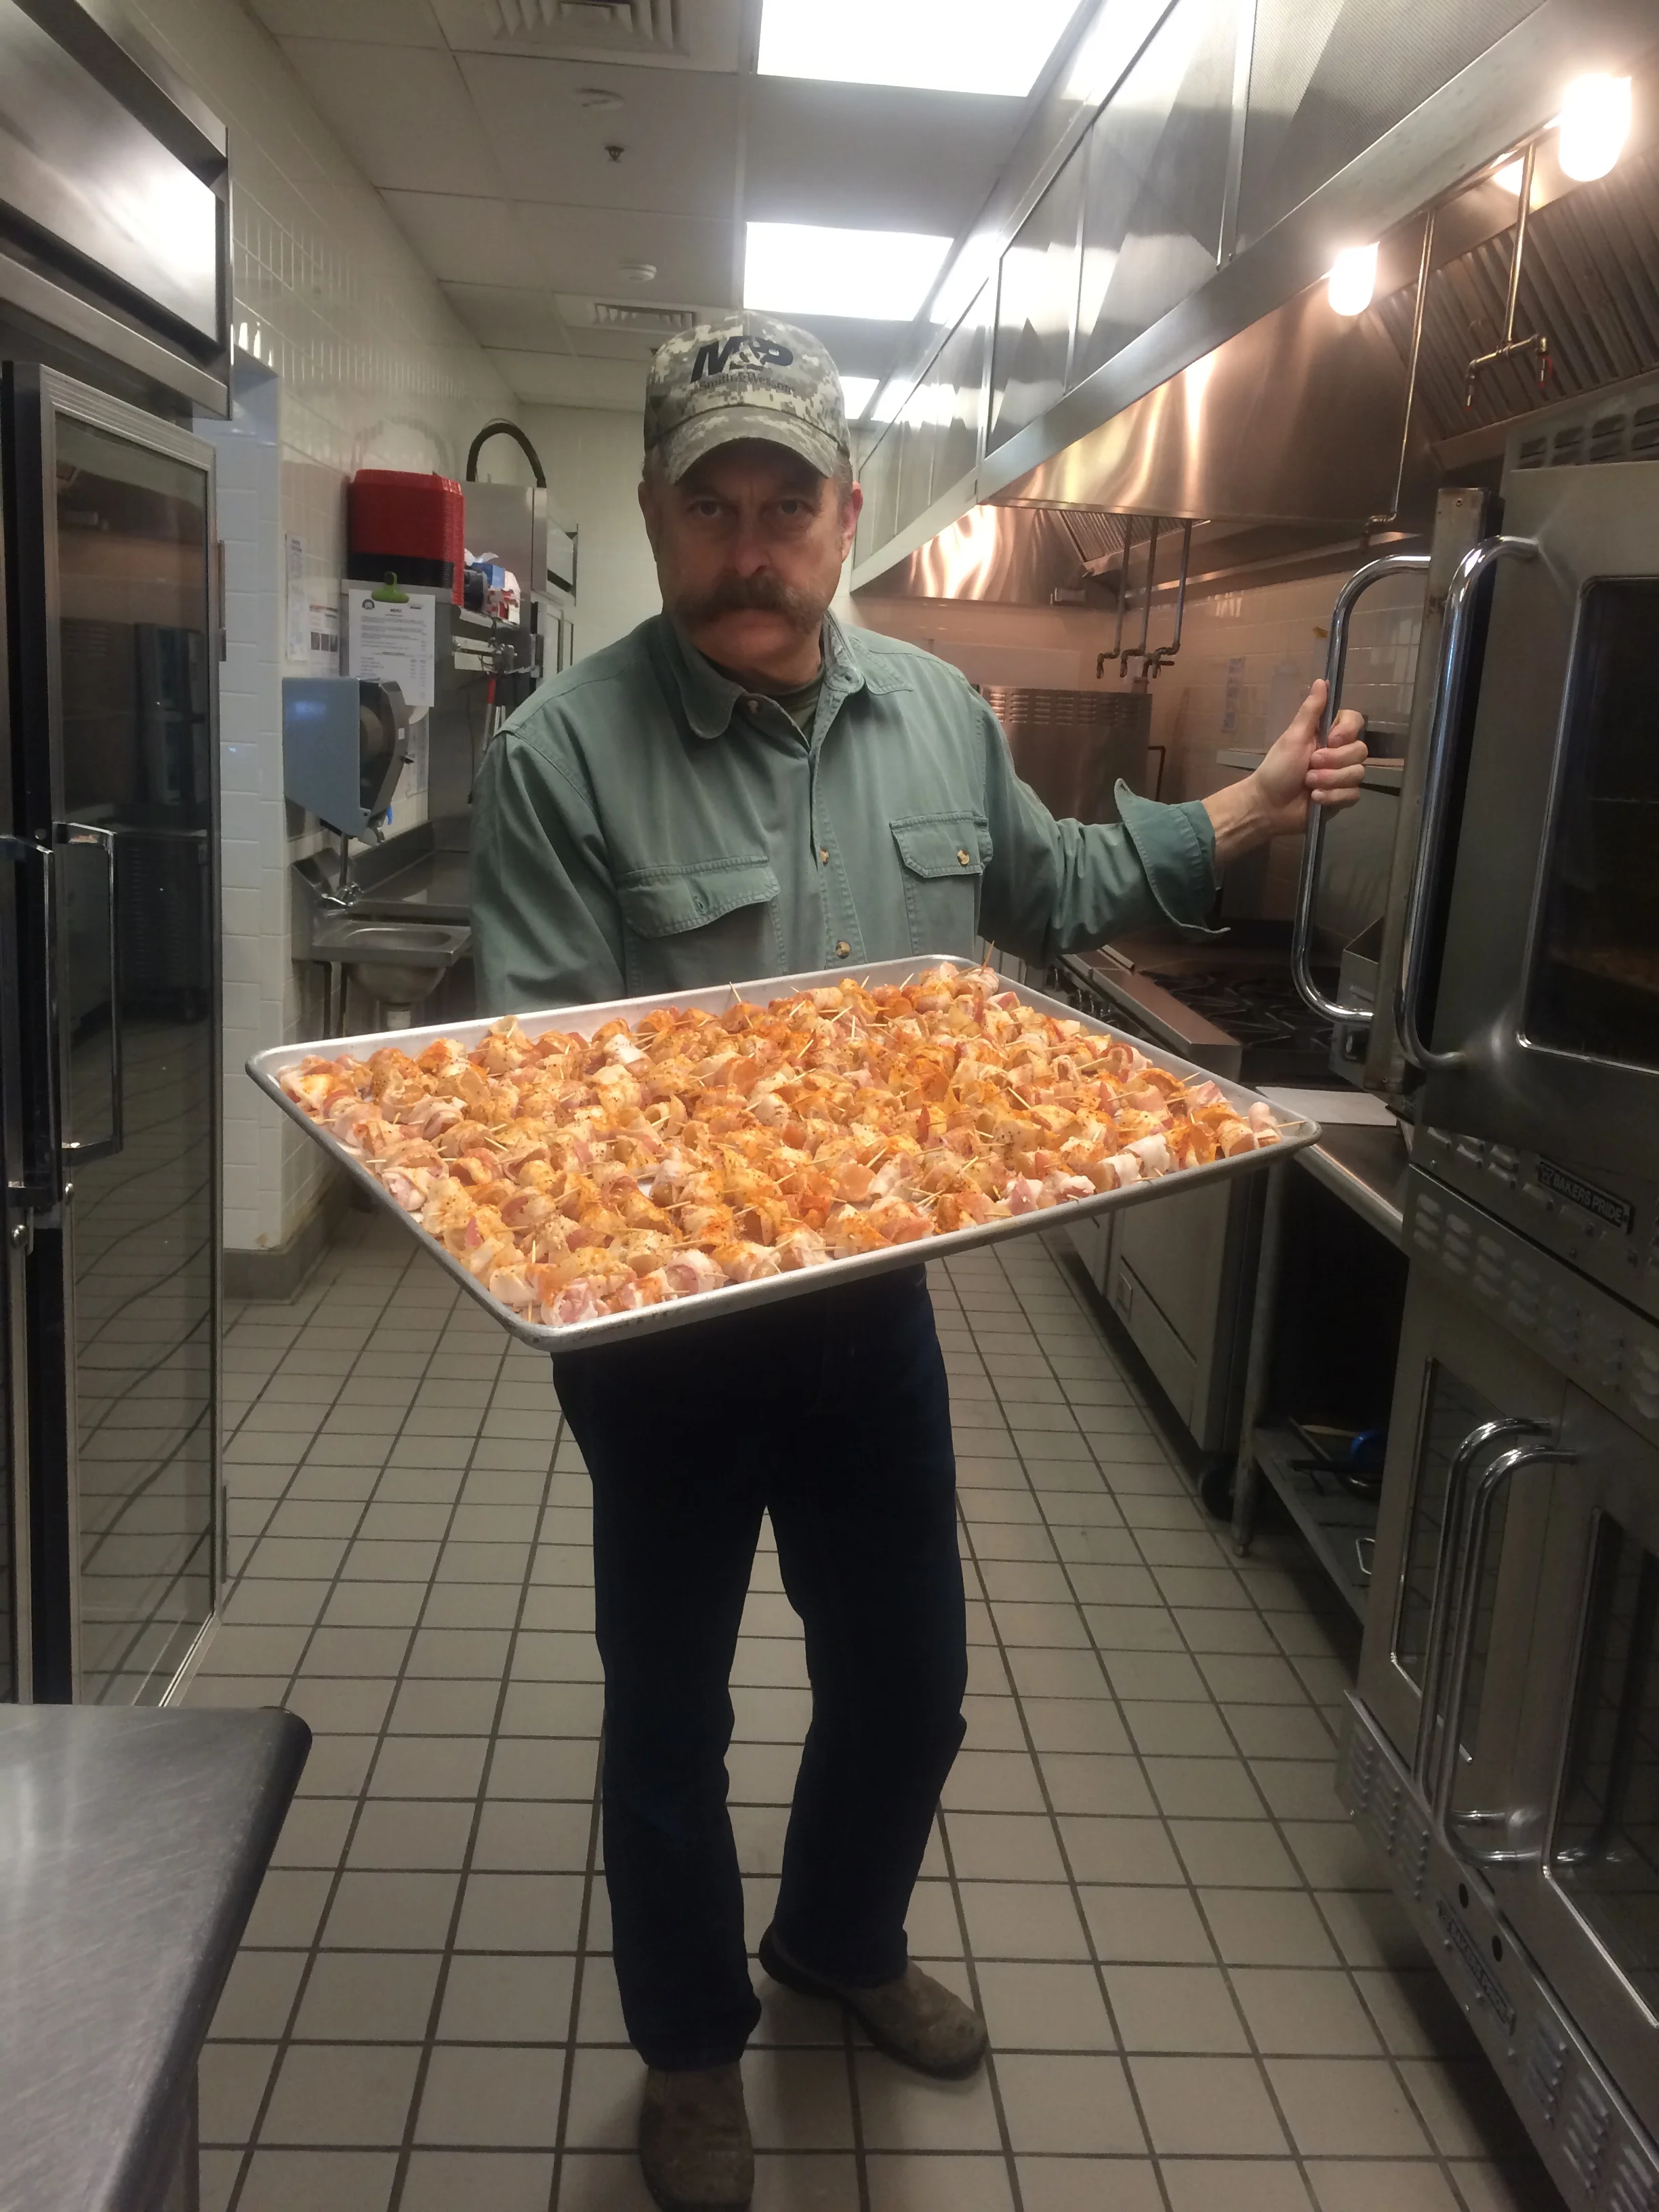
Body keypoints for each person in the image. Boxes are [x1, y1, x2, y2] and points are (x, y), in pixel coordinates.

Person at [472, 312, 1366, 2212]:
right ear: (652, 518)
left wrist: (1254, 808)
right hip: (665, 1347)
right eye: (707, 503)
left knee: (913, 1682)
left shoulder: (943, 715)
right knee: (668, 1713)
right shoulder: (564, 753)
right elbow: (538, 1074)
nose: (748, 538)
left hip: (871, 1318)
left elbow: (1057, 890)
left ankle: (841, 1938)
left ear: (843, 514)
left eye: (782, 501)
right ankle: (694, 2053)